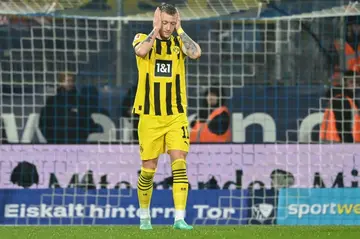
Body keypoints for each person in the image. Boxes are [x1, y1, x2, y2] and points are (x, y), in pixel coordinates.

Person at [132, 3, 201, 230]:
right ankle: (144, 218)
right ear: (157, 20)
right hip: (150, 116)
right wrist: (155, 28)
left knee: (179, 162)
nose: (169, 27)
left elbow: (196, 53)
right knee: (148, 168)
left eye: (172, 23)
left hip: (176, 116)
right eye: (165, 23)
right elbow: (141, 52)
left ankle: (179, 219)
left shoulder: (179, 41)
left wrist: (181, 31)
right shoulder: (143, 38)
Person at [39, 73, 93, 144]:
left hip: (77, 143)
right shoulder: (52, 101)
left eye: (72, 81)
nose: (70, 83)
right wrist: (51, 140)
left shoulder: (81, 101)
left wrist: (81, 138)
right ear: (61, 82)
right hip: (56, 144)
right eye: (68, 81)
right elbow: (43, 122)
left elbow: (88, 122)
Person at [319, 70, 360, 143]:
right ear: (344, 83)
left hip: (332, 141)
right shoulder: (342, 99)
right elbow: (343, 126)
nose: (355, 85)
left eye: (357, 82)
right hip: (338, 142)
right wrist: (349, 144)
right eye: (351, 82)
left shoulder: (347, 98)